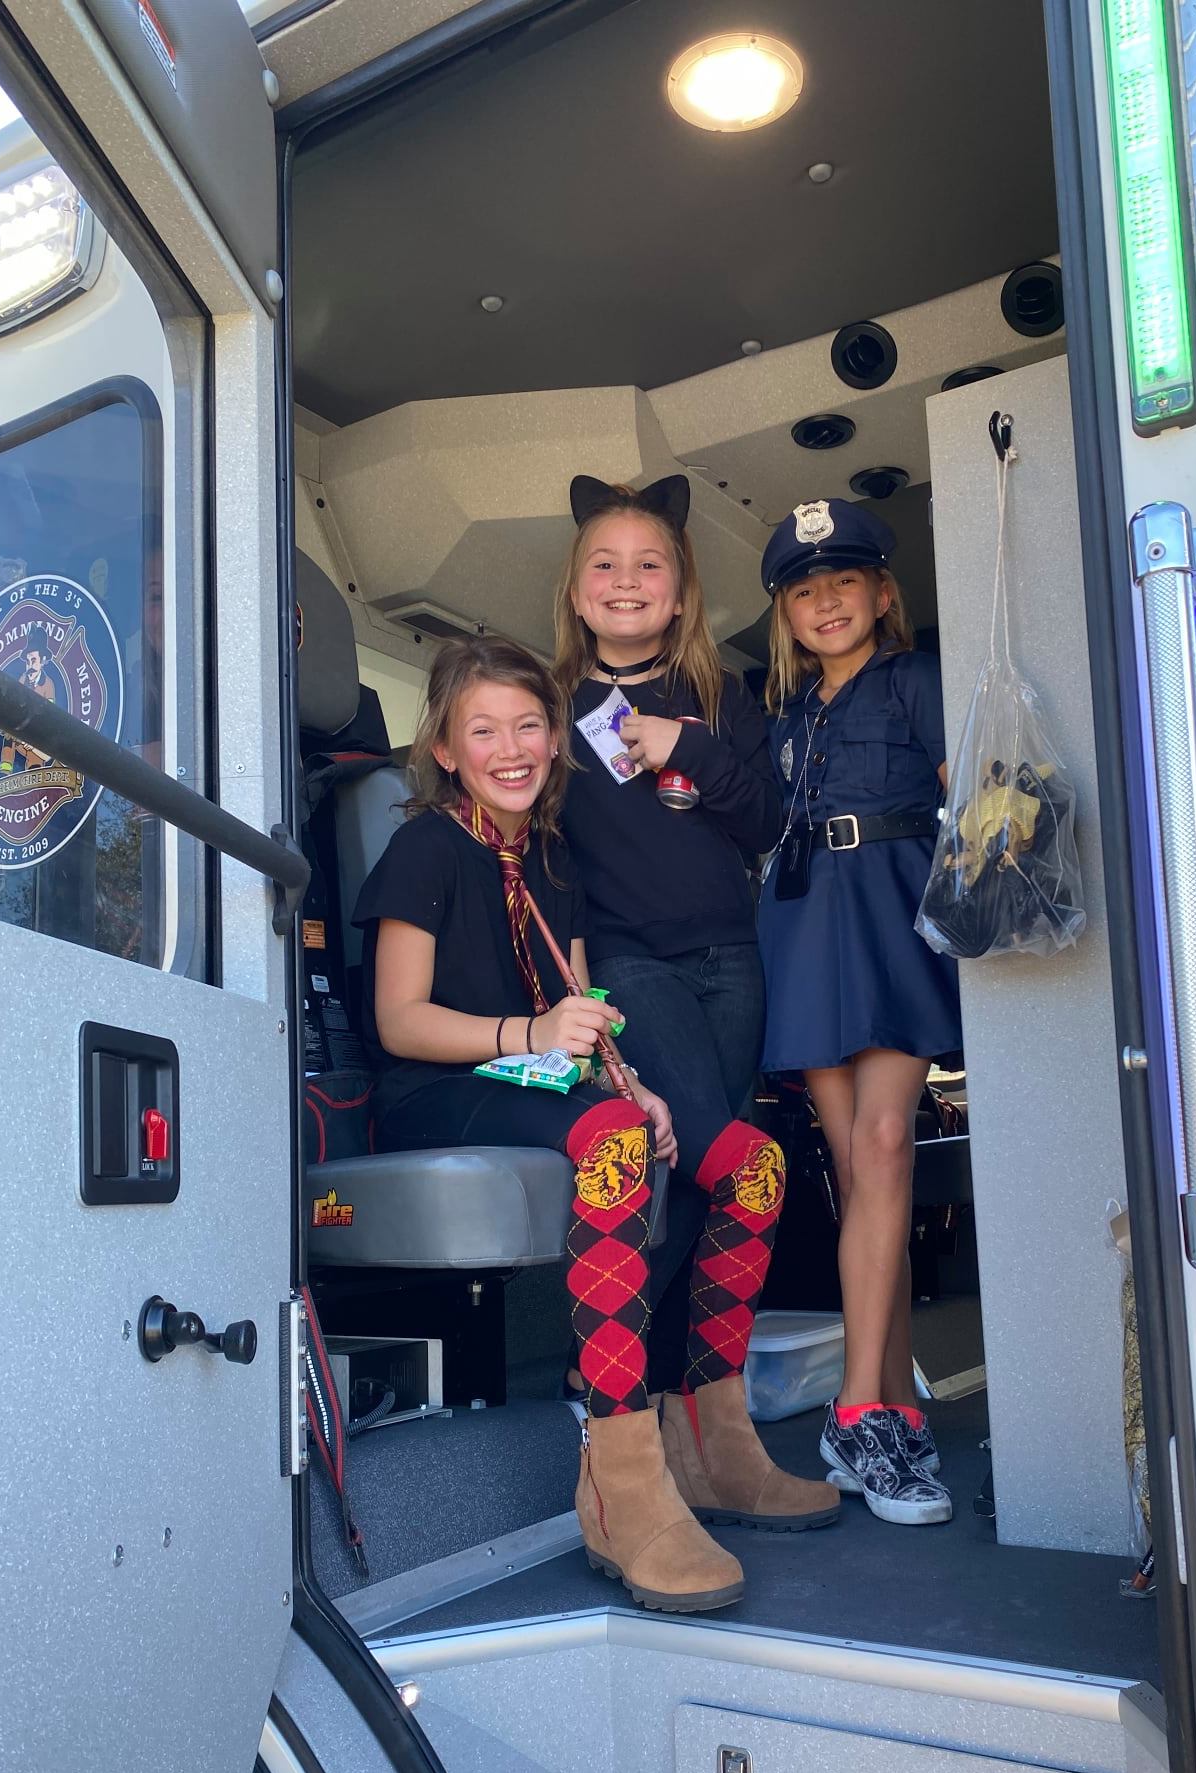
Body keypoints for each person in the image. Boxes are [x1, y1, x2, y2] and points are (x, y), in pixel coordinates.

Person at [354, 635, 836, 1615]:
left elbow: (583, 1005)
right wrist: (535, 1038)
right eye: (483, 731)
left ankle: (713, 1441)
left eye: (530, 725)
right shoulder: (425, 848)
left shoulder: (554, 857)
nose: (511, 749)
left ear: (557, 738)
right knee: (614, 1143)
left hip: (544, 1082)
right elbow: (398, 1022)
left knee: (750, 1162)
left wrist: (632, 1081)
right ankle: (620, 1483)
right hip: (437, 1091)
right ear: (444, 749)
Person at [552, 475, 818, 1530]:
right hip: (628, 967)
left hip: (730, 961)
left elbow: (769, 823)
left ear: (680, 588)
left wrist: (686, 748)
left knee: (714, 1191)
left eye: (649, 564)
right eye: (605, 564)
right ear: (575, 588)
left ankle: (701, 1440)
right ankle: (615, 1425)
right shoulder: (554, 706)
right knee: (715, 1163)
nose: (626, 581)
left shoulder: (721, 695)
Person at [757, 499, 962, 1527]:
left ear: (884, 593)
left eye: (845, 581)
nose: (826, 601)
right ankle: (897, 1411)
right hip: (802, 922)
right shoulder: (785, 717)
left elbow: (971, 798)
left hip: (892, 911)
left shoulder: (919, 680)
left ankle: (856, 1417)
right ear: (785, 614)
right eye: (805, 589)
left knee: (883, 1148)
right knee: (854, 1175)